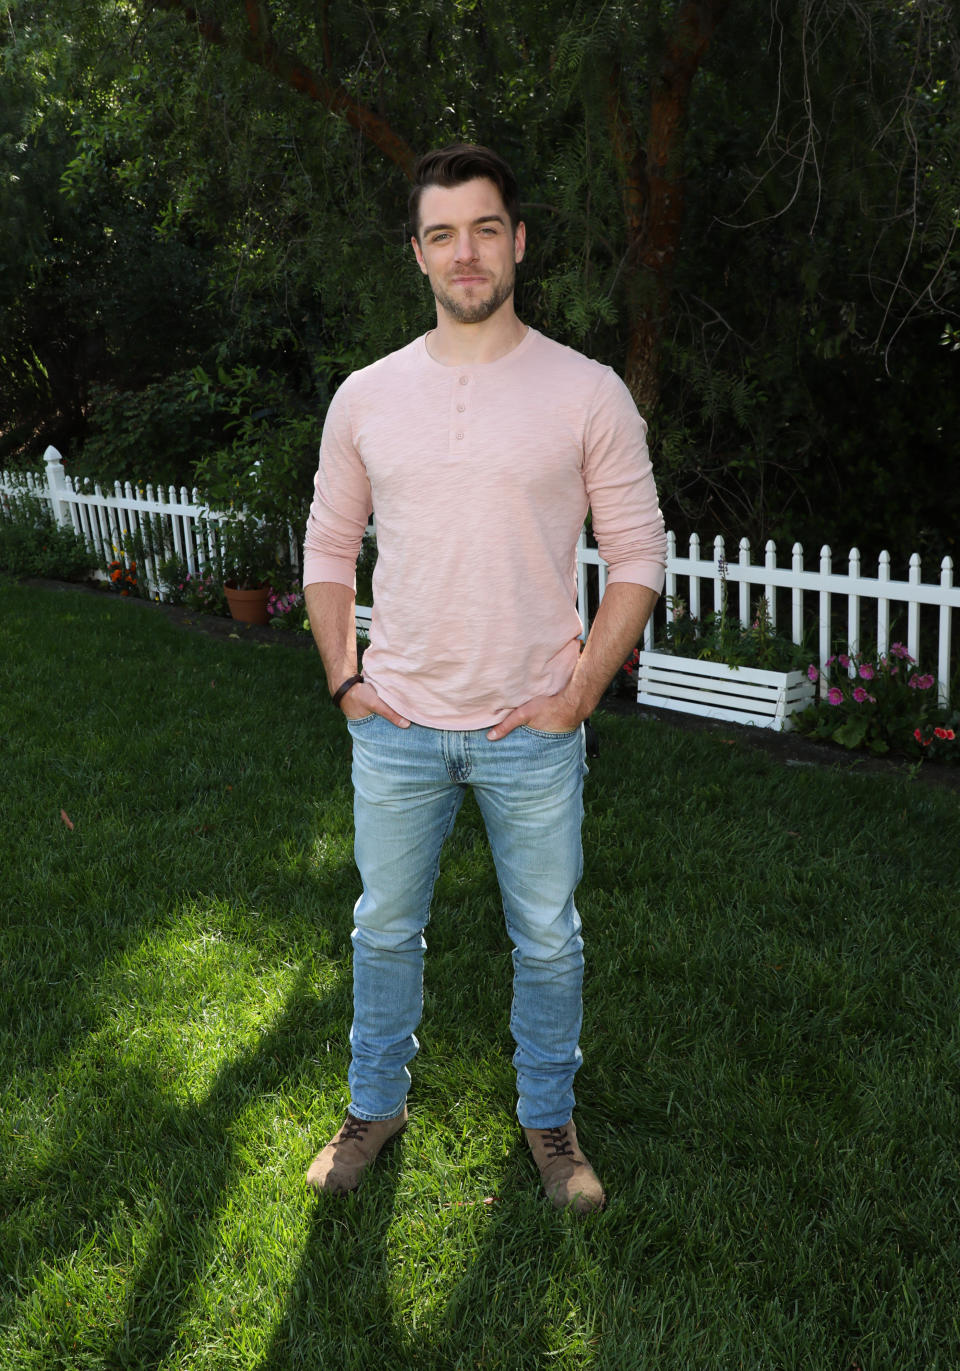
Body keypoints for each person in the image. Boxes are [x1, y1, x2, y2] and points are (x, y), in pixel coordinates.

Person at [302, 143, 666, 1214]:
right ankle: (375, 1107)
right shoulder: (368, 395)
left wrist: (580, 694)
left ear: (519, 241)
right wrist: (344, 678)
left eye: (487, 228)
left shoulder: (586, 391)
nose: (468, 253)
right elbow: (330, 547)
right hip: (399, 723)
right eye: (445, 234)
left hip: (535, 728)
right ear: (417, 253)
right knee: (381, 928)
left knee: (548, 938)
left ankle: (548, 1123)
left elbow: (638, 555)